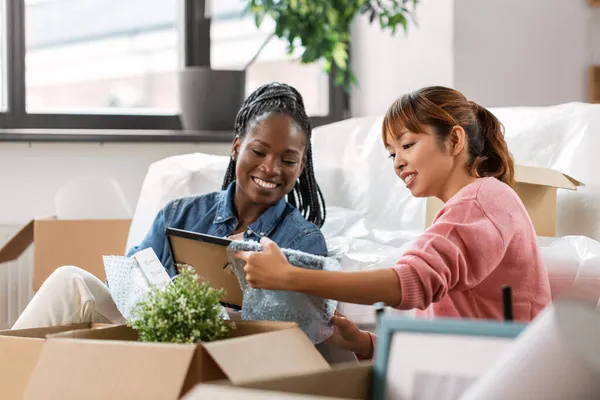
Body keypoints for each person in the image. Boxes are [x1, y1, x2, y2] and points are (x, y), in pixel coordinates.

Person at [234, 86, 552, 359]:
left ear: (454, 141)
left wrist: (290, 277)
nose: (398, 162)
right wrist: (367, 343)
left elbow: (409, 283)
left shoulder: (481, 200)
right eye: (391, 153)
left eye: (407, 144)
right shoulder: (473, 205)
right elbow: (443, 337)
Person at [12, 82, 328, 330]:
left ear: (300, 168)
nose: (271, 169)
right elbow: (120, 289)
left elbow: (296, 332)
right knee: (70, 280)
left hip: (227, 352)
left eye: (287, 160)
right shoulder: (179, 215)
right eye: (259, 152)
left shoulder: (303, 241)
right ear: (236, 148)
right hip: (148, 334)